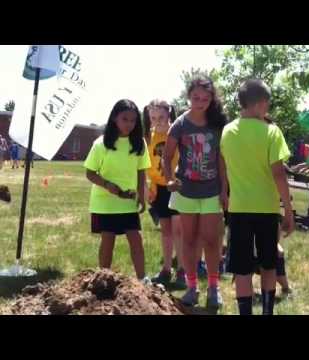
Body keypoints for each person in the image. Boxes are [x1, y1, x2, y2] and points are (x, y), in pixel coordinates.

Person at [221, 79, 295, 315]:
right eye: (268, 104)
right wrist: (289, 210)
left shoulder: (228, 131)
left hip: (239, 208)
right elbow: (279, 174)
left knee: (241, 268)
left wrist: (225, 192)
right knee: (268, 264)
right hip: (266, 208)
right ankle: (267, 312)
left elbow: (224, 165)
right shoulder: (272, 131)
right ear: (262, 103)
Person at [163, 76, 228, 309]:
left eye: (205, 98)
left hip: (211, 191)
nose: (200, 102)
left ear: (212, 99)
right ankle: (191, 288)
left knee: (212, 240)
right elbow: (167, 156)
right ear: (188, 96)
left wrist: (224, 190)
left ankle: (213, 288)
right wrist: (169, 179)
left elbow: (222, 160)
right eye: (195, 97)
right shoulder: (180, 124)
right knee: (189, 240)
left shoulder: (217, 123)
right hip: (186, 191)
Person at [84, 99, 151, 281]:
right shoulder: (101, 144)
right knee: (108, 241)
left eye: (133, 120)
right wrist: (107, 185)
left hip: (128, 202)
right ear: (115, 118)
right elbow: (89, 173)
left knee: (136, 239)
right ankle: (103, 280)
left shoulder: (139, 144)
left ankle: (143, 280)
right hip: (105, 203)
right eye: (125, 119)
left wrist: (142, 196)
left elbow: (141, 171)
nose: (129, 124)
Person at [146, 99, 186, 289]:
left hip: (176, 186)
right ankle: (166, 270)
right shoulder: (150, 136)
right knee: (166, 230)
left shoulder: (176, 132)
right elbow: (149, 163)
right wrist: (151, 185)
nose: (157, 121)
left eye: (161, 117)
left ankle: (182, 271)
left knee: (179, 230)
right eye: (153, 117)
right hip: (159, 188)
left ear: (169, 114)